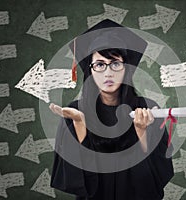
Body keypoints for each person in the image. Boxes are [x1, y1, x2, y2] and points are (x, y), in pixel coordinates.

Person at [49, 19, 174, 200]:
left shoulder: (148, 108)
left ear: (126, 68)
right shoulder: (75, 111)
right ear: (90, 70)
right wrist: (80, 124)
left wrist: (141, 131)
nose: (108, 73)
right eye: (99, 64)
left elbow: (156, 174)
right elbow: (76, 179)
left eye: (115, 63)